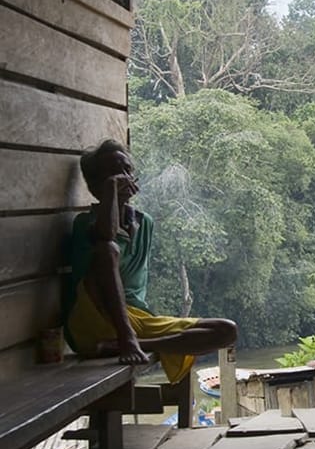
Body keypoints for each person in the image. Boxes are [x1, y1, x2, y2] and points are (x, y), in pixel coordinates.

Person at [62, 139, 237, 383]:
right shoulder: (86, 224)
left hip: (137, 319)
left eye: (126, 170)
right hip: (95, 318)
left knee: (226, 330)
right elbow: (106, 235)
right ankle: (126, 340)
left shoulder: (144, 223)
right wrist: (111, 189)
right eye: (112, 174)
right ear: (95, 185)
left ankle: (131, 343)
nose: (123, 177)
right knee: (107, 250)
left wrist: (138, 337)